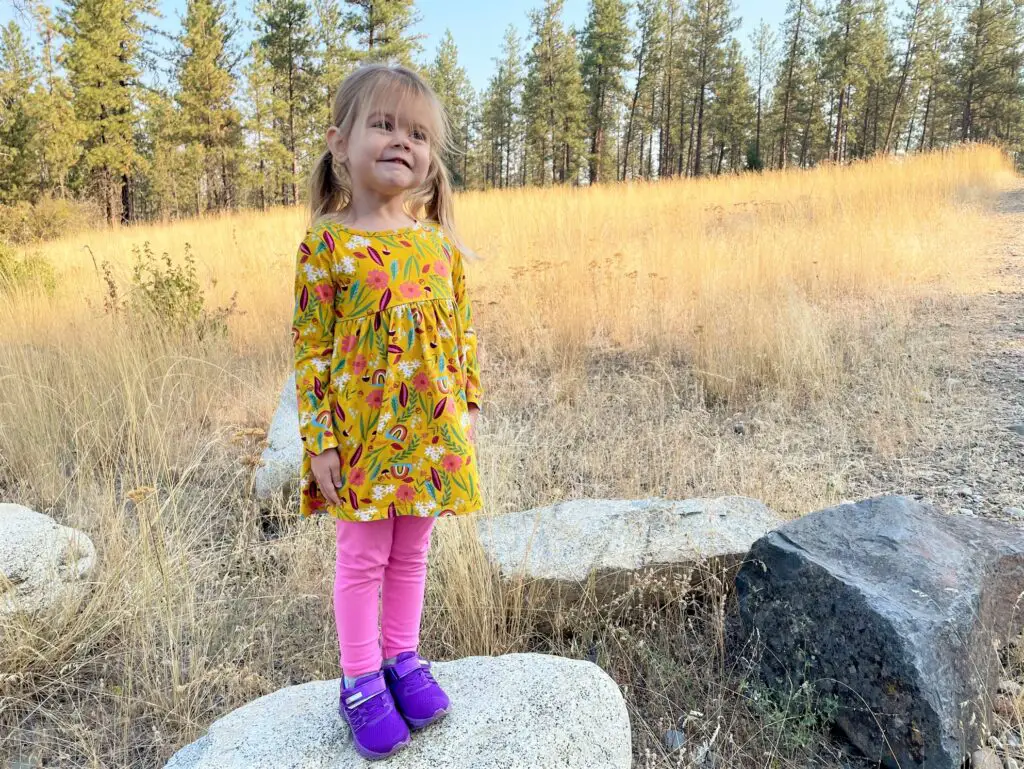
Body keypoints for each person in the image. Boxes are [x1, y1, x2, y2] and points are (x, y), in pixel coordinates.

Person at [291, 63, 485, 760]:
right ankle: (360, 679)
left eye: (419, 133)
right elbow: (310, 351)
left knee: (414, 550)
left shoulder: (436, 243)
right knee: (364, 554)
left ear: (431, 159)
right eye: (384, 125)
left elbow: (460, 328)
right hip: (363, 438)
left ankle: (402, 657)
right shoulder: (328, 245)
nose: (403, 142)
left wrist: (465, 405)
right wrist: (319, 442)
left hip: (431, 432)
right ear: (340, 143)